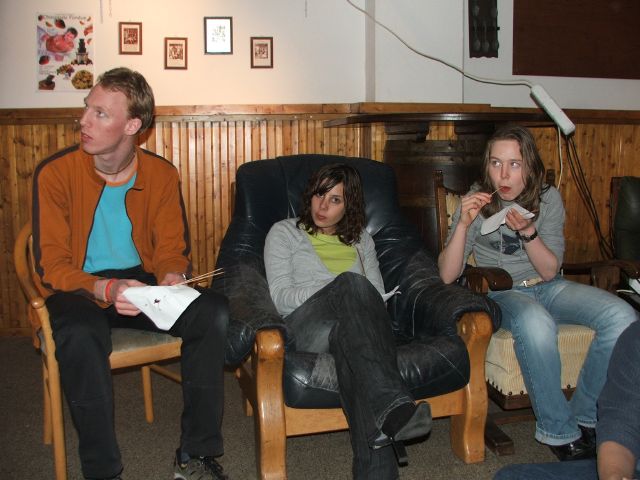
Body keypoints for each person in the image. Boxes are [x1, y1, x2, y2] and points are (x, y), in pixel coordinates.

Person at [32, 67, 230, 480]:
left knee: (212, 311)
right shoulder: (55, 173)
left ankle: (196, 453)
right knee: (79, 332)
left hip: (141, 282)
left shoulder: (161, 173)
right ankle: (103, 471)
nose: (83, 121)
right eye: (87, 108)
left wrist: (173, 275)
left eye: (100, 114)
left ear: (133, 125)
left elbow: (171, 248)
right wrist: (105, 287)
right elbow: (52, 266)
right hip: (79, 287)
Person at [438, 125, 637, 461]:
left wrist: (529, 232)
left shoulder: (548, 198)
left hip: (548, 286)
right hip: (502, 294)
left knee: (622, 316)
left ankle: (585, 415)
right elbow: (446, 274)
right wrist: (462, 224)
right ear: (487, 166)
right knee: (536, 321)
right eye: (496, 163)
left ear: (529, 167)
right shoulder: (476, 200)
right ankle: (559, 431)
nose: (503, 174)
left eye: (514, 164)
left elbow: (548, 271)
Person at [264, 163, 432, 479]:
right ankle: (394, 405)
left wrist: (350, 292)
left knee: (351, 340)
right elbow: (281, 297)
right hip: (305, 328)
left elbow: (377, 297)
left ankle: (377, 468)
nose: (322, 206)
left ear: (349, 205)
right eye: (319, 194)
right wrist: (336, 287)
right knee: (351, 284)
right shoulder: (284, 233)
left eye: (335, 199)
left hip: (351, 330)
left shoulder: (361, 241)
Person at [493, 319, 640, 480]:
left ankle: (581, 424)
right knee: (510, 477)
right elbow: (621, 425)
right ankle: (566, 429)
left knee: (618, 317)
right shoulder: (636, 337)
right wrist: (615, 475)